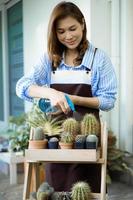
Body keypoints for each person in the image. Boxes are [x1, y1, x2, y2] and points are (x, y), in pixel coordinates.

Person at [16, 1, 117, 193]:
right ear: (54, 33)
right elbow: (22, 86)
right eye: (61, 32)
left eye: (72, 29)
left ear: (83, 24)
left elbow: (108, 100)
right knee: (57, 190)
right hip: (55, 144)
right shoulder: (49, 58)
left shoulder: (98, 59)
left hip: (86, 142)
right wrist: (50, 92)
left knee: (85, 191)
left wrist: (73, 98)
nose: (68, 36)